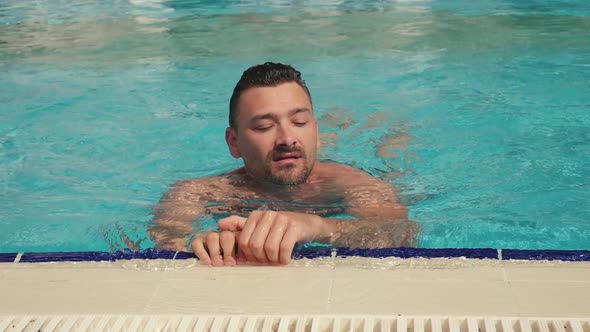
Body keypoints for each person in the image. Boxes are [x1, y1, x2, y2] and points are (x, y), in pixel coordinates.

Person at [148, 62, 419, 266]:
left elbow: (399, 235)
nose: (287, 138)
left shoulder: (354, 184)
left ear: (316, 132)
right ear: (234, 142)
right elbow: (163, 252)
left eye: (300, 123)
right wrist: (207, 246)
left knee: (392, 154)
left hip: (366, 163)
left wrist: (314, 227)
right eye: (264, 126)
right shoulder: (198, 193)